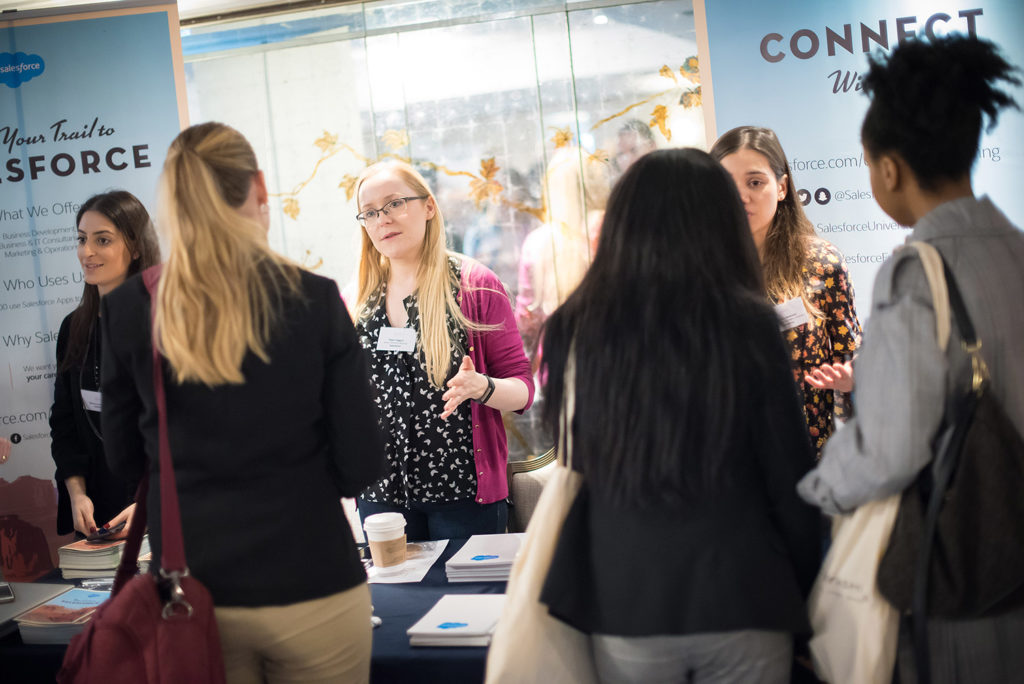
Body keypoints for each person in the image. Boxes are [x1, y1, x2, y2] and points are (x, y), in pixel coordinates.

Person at [101, 122, 385, 683]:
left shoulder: (132, 308)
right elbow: (361, 465)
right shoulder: (315, 300)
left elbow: (126, 462)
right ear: (258, 186)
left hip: (194, 595)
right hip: (316, 583)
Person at [538, 149, 820, 684]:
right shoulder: (749, 322)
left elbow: (577, 458)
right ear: (719, 221)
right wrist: (807, 590)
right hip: (742, 590)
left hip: (624, 590)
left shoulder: (574, 326)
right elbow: (789, 477)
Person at [798, 36, 1024, 682]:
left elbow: (889, 450)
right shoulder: (1018, 251)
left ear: (888, 170)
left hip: (964, 569)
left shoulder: (915, 276)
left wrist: (817, 488)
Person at [351, 160, 533, 542]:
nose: (383, 219)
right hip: (381, 495)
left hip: (463, 494)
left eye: (395, 203)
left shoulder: (475, 286)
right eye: (370, 212)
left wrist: (480, 387)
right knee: (398, 602)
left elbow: (523, 391)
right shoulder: (357, 297)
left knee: (469, 602)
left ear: (429, 207)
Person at [711, 127, 862, 459]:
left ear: (781, 187)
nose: (741, 196)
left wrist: (851, 380)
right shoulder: (697, 269)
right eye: (725, 184)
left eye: (755, 182)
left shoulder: (821, 263)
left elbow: (853, 360)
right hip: (725, 464)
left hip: (808, 458)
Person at [49, 191, 160, 539]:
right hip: (98, 509)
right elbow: (65, 421)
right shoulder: (74, 327)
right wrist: (76, 493)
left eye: (103, 240)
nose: (87, 252)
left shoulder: (165, 322)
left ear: (137, 247)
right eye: (82, 240)